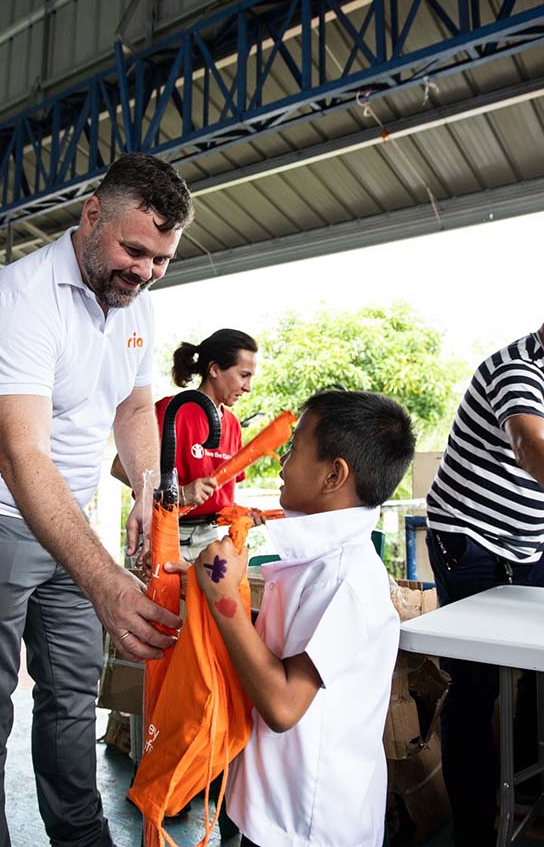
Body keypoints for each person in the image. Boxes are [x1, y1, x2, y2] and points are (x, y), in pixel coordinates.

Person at [0, 153, 193, 847]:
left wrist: (146, 490)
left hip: (69, 521)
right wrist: (106, 582)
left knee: (71, 703)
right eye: (133, 249)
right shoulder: (19, 298)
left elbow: (136, 409)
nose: (144, 270)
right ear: (91, 217)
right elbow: (19, 454)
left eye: (161, 259)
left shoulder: (134, 304)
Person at [192, 389, 416, 847]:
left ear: (334, 474)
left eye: (293, 448)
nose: (280, 461)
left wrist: (222, 601)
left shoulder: (347, 579)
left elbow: (283, 705)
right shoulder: (317, 558)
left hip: (309, 824)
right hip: (271, 802)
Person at [426, 328, 544, 847]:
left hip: (531, 542)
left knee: (538, 675)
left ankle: (527, 801)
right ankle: (475, 831)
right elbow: (530, 444)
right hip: (470, 538)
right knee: (473, 683)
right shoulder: (517, 368)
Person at [111, 328, 258, 561]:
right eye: (244, 375)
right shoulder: (171, 410)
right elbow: (119, 466)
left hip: (209, 538)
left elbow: (220, 498)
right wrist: (176, 494)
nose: (248, 387)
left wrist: (241, 513)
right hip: (164, 532)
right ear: (214, 370)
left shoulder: (232, 425)